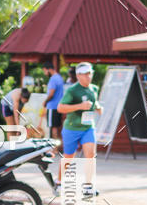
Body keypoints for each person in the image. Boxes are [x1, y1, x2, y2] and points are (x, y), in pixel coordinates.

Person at [57, 62, 102, 195]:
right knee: (69, 157)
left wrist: (98, 107)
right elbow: (60, 108)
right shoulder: (72, 90)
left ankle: (88, 186)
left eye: (90, 73)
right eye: (85, 74)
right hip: (72, 128)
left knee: (90, 155)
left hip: (88, 127)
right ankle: (59, 182)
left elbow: (94, 102)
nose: (88, 76)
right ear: (78, 75)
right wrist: (80, 106)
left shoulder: (94, 88)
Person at [41, 61, 64, 139]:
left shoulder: (53, 79)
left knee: (53, 128)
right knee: (56, 127)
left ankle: (53, 145)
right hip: (58, 106)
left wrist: (45, 102)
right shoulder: (59, 77)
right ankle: (56, 145)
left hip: (52, 107)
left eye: (45, 71)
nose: (45, 73)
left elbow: (51, 94)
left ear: (49, 69)